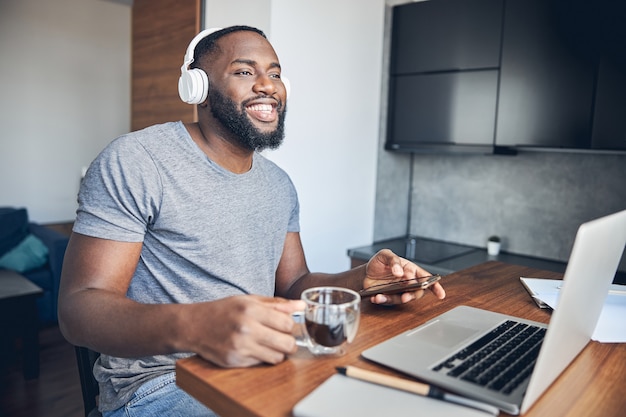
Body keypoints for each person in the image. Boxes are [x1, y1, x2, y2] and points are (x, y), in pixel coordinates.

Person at [58, 25, 446, 417]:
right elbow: (78, 309)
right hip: (162, 384)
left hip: (264, 364)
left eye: (275, 74)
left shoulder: (279, 185)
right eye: (245, 72)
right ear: (198, 88)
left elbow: (294, 285)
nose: (267, 86)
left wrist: (362, 279)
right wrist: (197, 326)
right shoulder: (137, 160)